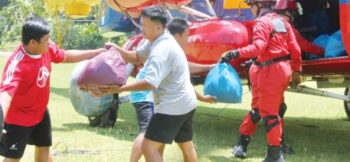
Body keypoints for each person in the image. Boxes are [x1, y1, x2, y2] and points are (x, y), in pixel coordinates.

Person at [102, 17, 215, 162]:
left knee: (149, 145)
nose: (188, 41)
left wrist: (120, 89)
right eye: (186, 36)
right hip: (165, 100)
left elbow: (152, 83)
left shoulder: (165, 49)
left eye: (145, 25)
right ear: (176, 35)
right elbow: (138, 58)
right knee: (178, 145)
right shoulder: (166, 48)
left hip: (169, 103)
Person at [0, 16, 105, 162]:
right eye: (46, 39)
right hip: (19, 118)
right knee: (13, 157)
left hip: (40, 112)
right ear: (32, 43)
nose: (49, 42)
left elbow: (66, 56)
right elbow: (6, 93)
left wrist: (95, 52)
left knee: (43, 147)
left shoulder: (45, 48)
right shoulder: (17, 65)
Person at [220, 0, 302, 162]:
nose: (251, 9)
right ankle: (242, 146)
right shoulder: (283, 22)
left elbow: (258, 48)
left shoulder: (262, 22)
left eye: (252, 5)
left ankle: (274, 155)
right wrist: (296, 71)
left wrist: (234, 53)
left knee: (268, 114)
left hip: (267, 71)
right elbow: (295, 49)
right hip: (281, 70)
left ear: (260, 5)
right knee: (271, 109)